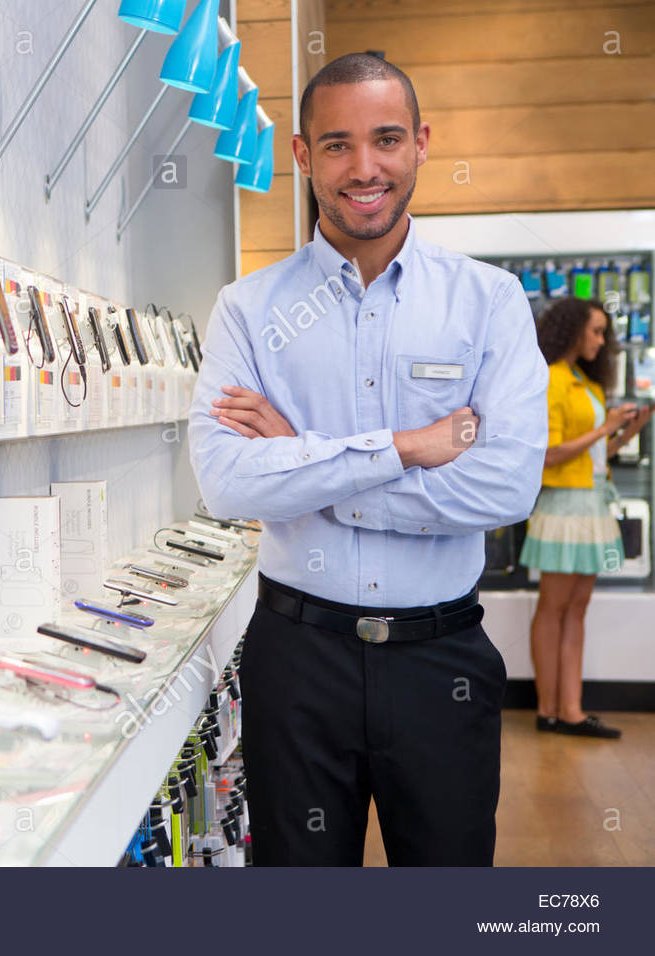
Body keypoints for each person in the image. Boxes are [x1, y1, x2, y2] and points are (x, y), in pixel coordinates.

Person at [187, 53, 549, 866]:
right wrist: (412, 449)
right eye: (338, 144)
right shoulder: (247, 310)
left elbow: (505, 484)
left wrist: (308, 466)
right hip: (296, 662)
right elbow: (227, 480)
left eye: (386, 139)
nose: (365, 168)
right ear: (304, 157)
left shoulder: (487, 303)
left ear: (421, 143)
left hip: (442, 661)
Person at [520, 298, 650, 739]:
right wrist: (604, 426)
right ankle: (547, 708)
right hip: (563, 506)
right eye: (595, 331)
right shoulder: (552, 379)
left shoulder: (588, 385)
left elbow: (595, 456)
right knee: (555, 607)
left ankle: (570, 710)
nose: (602, 341)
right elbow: (550, 455)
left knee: (576, 608)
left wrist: (625, 431)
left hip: (591, 501)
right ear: (573, 330)